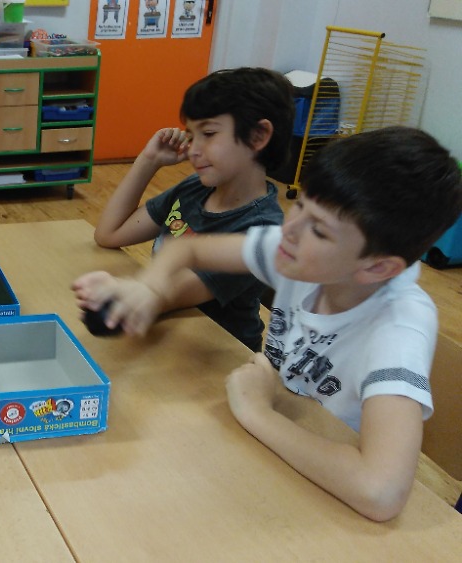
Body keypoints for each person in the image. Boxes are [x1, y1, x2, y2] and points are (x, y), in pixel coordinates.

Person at [73, 126, 462, 521]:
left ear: (378, 267)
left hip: (328, 495)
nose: (289, 229)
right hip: (274, 449)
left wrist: (258, 412)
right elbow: (189, 249)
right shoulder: (300, 252)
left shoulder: (397, 329)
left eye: (318, 229)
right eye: (301, 204)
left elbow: (379, 491)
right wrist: (146, 289)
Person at [92, 67, 294, 351]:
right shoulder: (194, 189)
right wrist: (149, 161)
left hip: (217, 353)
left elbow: (168, 295)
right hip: (171, 333)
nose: (193, 149)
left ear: (258, 136)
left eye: (208, 133)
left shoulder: (259, 229)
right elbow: (109, 234)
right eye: (191, 135)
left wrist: (117, 292)